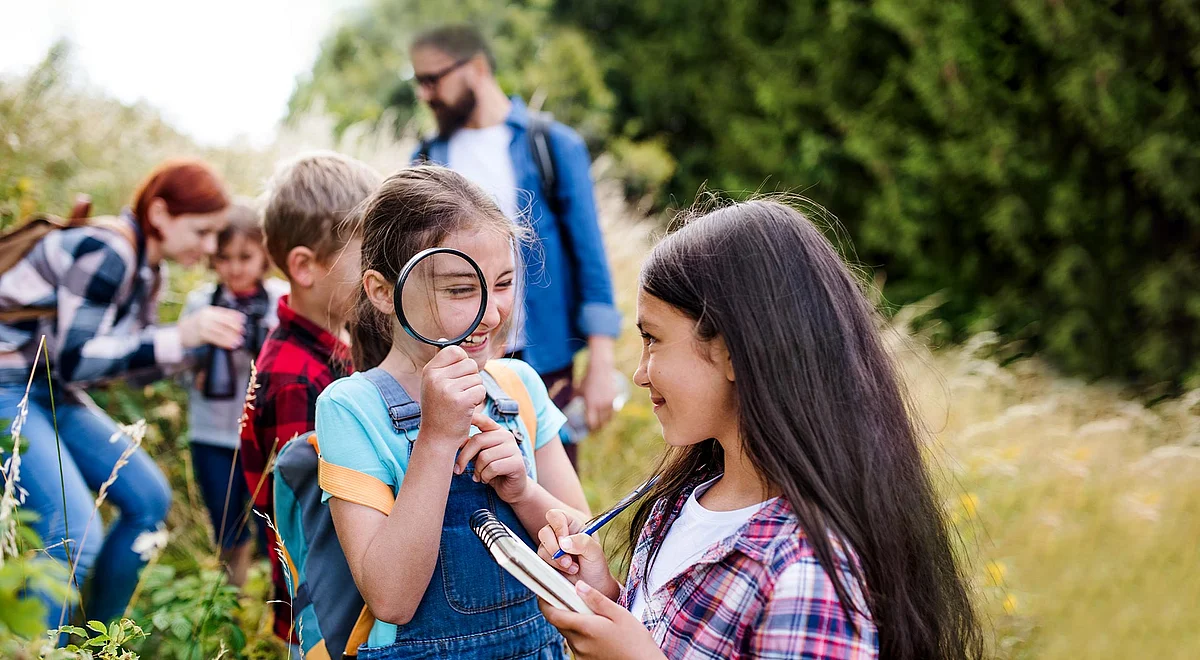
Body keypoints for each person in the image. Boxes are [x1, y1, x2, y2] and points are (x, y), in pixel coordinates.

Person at [535, 201, 984, 659]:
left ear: (731, 350)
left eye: (653, 339)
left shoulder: (806, 576)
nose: (641, 373)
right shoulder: (680, 501)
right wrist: (602, 598)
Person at [314, 166, 590, 658]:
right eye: (461, 290)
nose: (491, 313)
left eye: (503, 283)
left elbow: (585, 555)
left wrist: (523, 490)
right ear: (382, 291)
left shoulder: (519, 387)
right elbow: (391, 599)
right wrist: (437, 441)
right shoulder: (351, 408)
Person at [0, 159, 246, 630]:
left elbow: (121, 367)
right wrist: (179, 337)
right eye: (201, 231)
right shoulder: (109, 250)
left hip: (49, 385)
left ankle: (94, 640)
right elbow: (77, 360)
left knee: (149, 500)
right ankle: (34, 646)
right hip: (8, 382)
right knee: (71, 531)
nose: (210, 247)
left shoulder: (148, 271)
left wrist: (193, 353)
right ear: (159, 214)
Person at [409, 25, 621, 465]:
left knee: (552, 490)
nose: (426, 94)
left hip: (547, 357)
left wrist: (601, 362)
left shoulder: (552, 145)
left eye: (434, 79)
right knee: (475, 481)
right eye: (419, 82)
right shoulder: (426, 160)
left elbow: (590, 256)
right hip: (462, 355)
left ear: (478, 67)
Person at [238, 151, 380, 650]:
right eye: (367, 256)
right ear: (305, 267)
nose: (379, 272)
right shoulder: (297, 379)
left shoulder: (332, 348)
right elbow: (311, 519)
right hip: (329, 614)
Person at [182, 201, 287, 588]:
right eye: (224, 258)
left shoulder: (280, 301)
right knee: (228, 527)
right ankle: (231, 604)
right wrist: (199, 369)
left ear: (264, 256)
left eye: (246, 256)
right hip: (212, 433)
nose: (235, 267)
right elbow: (179, 366)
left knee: (274, 530)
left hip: (266, 437)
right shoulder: (202, 303)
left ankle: (281, 611)